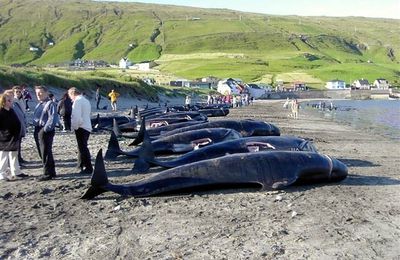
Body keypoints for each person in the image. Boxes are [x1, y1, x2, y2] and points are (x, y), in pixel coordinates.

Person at [33, 85, 58, 181]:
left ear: (46, 93)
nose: (38, 95)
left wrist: (46, 129)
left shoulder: (50, 104)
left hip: (44, 130)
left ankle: (47, 173)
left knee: (45, 152)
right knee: (44, 151)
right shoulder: (39, 104)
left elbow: (53, 117)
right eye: (37, 93)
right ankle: (51, 171)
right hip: (38, 129)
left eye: (41, 92)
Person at [68, 87, 93, 174]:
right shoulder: (86, 100)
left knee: (82, 147)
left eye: (70, 96)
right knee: (82, 146)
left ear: (72, 94)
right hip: (87, 125)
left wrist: (74, 127)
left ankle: (88, 167)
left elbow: (76, 116)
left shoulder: (77, 101)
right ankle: (80, 164)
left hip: (81, 127)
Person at [0, 93, 23, 181]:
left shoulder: (11, 110)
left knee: (14, 154)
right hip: (4, 137)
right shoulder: (1, 111)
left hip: (14, 136)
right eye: (8, 100)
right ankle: (2, 173)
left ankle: (16, 171)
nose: (10, 102)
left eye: (11, 100)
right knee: (3, 156)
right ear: (4, 102)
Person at [9, 87, 27, 166]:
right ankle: (16, 160)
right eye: (16, 92)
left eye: (19, 92)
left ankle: (19, 157)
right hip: (16, 124)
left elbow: (23, 112)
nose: (18, 93)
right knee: (15, 143)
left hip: (21, 122)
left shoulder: (22, 100)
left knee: (19, 142)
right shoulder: (13, 102)